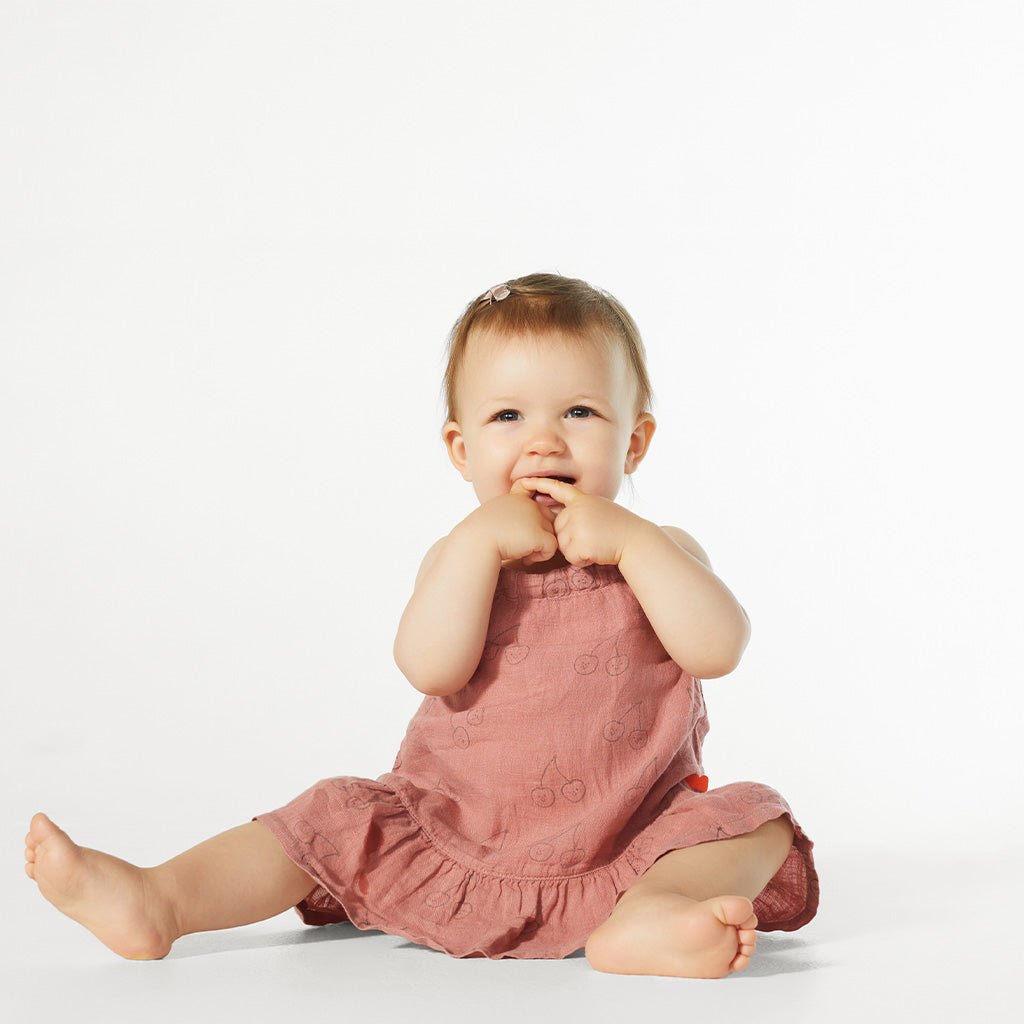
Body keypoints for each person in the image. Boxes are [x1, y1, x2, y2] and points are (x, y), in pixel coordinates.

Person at [23, 272, 819, 979]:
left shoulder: (662, 553)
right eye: (508, 416)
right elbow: (429, 667)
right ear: (460, 448)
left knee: (755, 817)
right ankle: (161, 899)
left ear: (635, 440)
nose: (544, 439)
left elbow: (716, 648)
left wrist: (635, 543)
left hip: (631, 843)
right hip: (454, 835)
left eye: (580, 411)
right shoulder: (463, 555)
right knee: (332, 816)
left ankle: (650, 916)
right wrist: (476, 547)